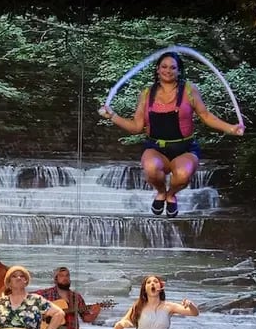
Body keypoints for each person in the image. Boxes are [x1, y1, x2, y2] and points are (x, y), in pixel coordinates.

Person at [100, 51, 244, 217]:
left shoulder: (189, 90)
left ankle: (171, 194)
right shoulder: (146, 94)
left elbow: (205, 116)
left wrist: (231, 128)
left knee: (183, 174)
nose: (168, 70)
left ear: (179, 71)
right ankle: (161, 192)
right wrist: (112, 116)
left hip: (184, 148)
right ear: (157, 69)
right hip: (155, 147)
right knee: (150, 168)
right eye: (164, 66)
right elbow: (136, 127)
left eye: (173, 68)